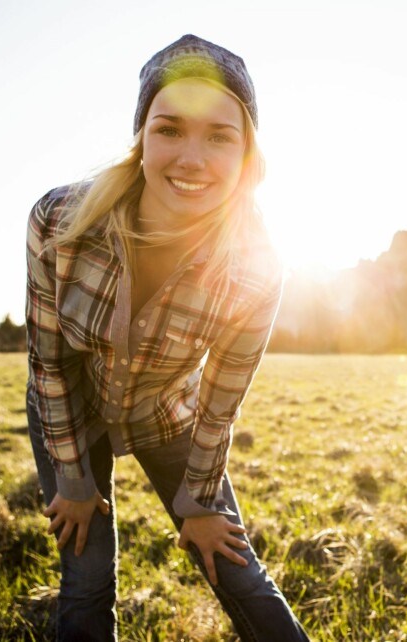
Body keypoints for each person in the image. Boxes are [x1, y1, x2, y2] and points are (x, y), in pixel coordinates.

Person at [25, 35, 310, 640]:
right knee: (87, 575)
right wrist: (74, 483)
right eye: (170, 129)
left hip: (169, 414)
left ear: (246, 152)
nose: (192, 158)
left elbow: (220, 402)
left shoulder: (257, 267)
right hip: (69, 410)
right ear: (142, 138)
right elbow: (48, 364)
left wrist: (200, 503)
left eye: (219, 136)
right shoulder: (60, 221)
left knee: (238, 571)